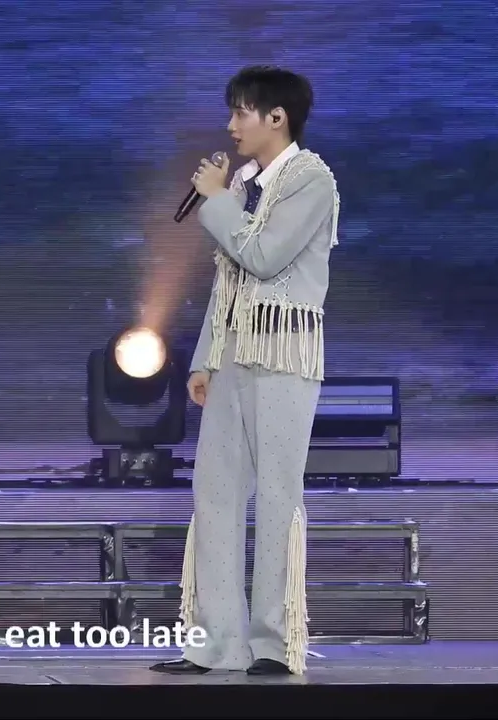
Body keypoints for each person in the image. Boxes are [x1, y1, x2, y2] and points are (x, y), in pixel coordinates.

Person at [150, 65, 339, 677]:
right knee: (215, 493)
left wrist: (216, 199)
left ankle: (273, 643)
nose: (231, 126)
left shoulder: (311, 180)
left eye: (241, 112)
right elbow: (227, 280)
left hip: (283, 354)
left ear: (276, 118)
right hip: (234, 355)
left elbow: (263, 256)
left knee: (279, 494)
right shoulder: (244, 184)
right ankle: (214, 644)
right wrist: (206, 357)